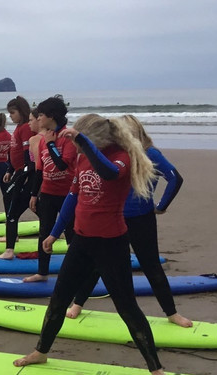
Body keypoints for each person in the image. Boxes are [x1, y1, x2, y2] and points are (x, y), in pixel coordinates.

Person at [14, 114, 172, 375]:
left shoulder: (122, 157)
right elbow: (74, 197)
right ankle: (41, 351)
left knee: (127, 308)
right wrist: (54, 232)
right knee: (59, 300)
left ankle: (156, 368)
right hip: (82, 243)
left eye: (79, 141)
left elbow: (109, 172)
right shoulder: (82, 158)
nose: (75, 147)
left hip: (111, 244)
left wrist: (82, 142)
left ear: (95, 139)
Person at [66, 115, 191, 327]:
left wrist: (161, 206)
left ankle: (171, 313)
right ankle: (78, 303)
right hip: (115, 218)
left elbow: (175, 178)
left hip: (142, 219)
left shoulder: (149, 153)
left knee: (151, 265)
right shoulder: (115, 156)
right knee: (97, 264)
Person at [23, 96, 78, 282]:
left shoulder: (67, 138)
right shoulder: (43, 139)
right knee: (44, 231)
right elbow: (40, 168)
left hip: (67, 195)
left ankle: (74, 273)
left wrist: (51, 144)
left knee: (72, 234)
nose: (38, 119)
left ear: (51, 116)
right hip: (47, 192)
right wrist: (33, 193)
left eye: (41, 115)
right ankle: (42, 272)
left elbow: (62, 165)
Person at [0, 95, 37, 259]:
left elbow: (29, 154)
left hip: (25, 173)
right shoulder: (19, 128)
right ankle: (12, 235)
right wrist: (10, 170)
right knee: (23, 204)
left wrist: (25, 174)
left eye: (12, 112)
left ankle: (10, 244)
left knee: (15, 206)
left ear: (21, 112)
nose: (10, 116)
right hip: (18, 172)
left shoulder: (27, 128)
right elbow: (13, 152)